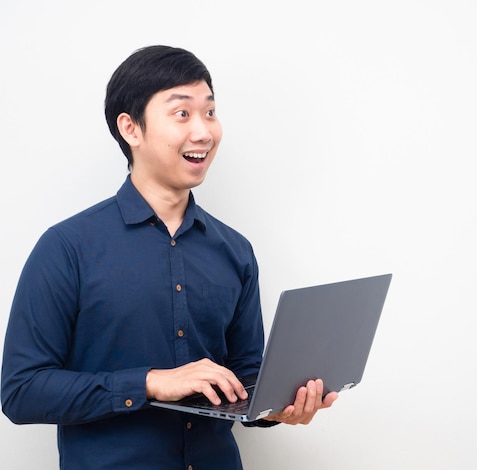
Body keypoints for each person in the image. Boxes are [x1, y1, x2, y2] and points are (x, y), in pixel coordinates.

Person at [1, 45, 338, 469]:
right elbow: (21, 391)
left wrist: (277, 406)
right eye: (182, 114)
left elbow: (246, 377)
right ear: (131, 129)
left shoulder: (235, 250)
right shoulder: (66, 247)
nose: (203, 132)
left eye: (210, 112)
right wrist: (151, 383)